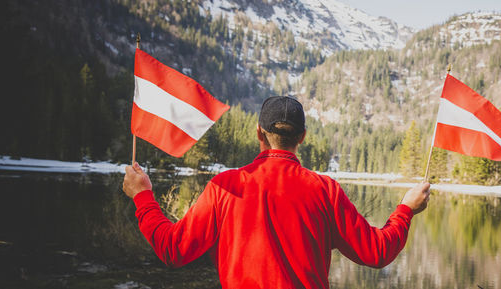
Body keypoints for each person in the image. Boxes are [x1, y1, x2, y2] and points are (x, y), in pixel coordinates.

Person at [122, 96, 431, 288]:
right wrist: (405, 210)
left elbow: (173, 249)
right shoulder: (325, 190)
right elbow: (376, 252)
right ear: (303, 137)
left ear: (259, 133)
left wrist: (143, 196)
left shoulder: (225, 186)